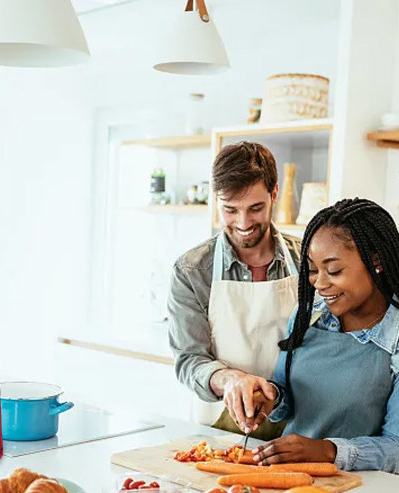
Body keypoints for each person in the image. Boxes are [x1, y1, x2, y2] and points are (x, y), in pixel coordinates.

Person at [242, 198, 399, 473]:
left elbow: (396, 447)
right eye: (313, 270)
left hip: (364, 491)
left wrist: (327, 450)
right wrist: (269, 398)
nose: (320, 284)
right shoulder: (309, 315)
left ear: (376, 261)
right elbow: (285, 396)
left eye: (334, 271)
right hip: (287, 478)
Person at [168, 142, 300, 438]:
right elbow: (190, 360)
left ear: (274, 194)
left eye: (255, 208)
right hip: (218, 429)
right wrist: (229, 380)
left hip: (297, 428)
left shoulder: (306, 261)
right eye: (230, 210)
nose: (243, 223)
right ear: (216, 201)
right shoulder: (191, 271)